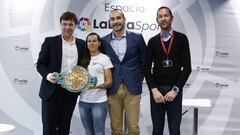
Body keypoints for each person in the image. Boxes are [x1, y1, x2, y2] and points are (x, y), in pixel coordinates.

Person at [144, 6, 192, 135]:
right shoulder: (153, 41)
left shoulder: (182, 39)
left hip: (174, 92)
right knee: (157, 130)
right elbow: (146, 68)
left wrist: (175, 90)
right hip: (157, 93)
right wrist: (154, 90)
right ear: (157, 20)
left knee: (175, 130)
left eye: (166, 16)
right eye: (160, 16)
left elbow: (187, 68)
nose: (163, 19)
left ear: (172, 18)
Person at [36, 11, 85, 135]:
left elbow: (83, 67)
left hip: (70, 92)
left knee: (64, 128)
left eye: (70, 24)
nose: (67, 27)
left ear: (75, 26)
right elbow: (40, 64)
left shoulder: (82, 44)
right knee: (49, 129)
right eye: (64, 24)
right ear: (60, 24)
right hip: (51, 91)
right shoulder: (50, 42)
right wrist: (48, 76)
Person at [101, 9, 146, 135]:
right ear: (110, 22)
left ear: (124, 19)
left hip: (132, 88)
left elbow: (144, 62)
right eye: (113, 19)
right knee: (116, 128)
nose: (116, 21)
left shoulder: (137, 38)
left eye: (118, 18)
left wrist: (137, 80)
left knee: (133, 127)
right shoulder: (104, 41)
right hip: (112, 88)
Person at [78, 32, 113, 135]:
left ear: (99, 43)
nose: (91, 43)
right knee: (88, 132)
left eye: (94, 41)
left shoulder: (104, 58)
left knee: (99, 132)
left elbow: (109, 82)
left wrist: (96, 87)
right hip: (83, 102)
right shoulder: (82, 59)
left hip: (99, 102)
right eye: (89, 41)